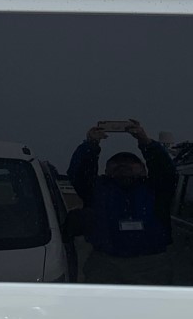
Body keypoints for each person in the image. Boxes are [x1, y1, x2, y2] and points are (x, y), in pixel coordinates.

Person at [67, 120, 177, 285]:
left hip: (151, 264)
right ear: (106, 169)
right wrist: (90, 144)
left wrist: (145, 142)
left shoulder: (157, 188)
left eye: (131, 162)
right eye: (116, 163)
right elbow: (79, 173)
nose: (123, 165)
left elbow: (166, 170)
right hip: (105, 263)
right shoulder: (97, 188)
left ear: (143, 169)